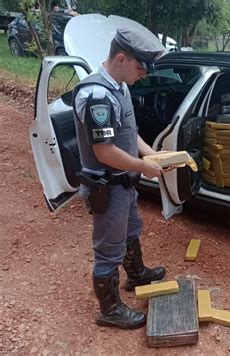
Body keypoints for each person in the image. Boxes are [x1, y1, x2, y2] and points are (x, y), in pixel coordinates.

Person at [73, 28, 167, 330]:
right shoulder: (96, 95)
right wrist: (143, 167)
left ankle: (136, 274)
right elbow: (105, 152)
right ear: (122, 58)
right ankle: (110, 310)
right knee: (108, 249)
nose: (144, 74)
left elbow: (128, 132)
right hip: (108, 187)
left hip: (125, 185)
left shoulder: (120, 86)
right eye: (141, 67)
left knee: (130, 231)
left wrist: (150, 153)